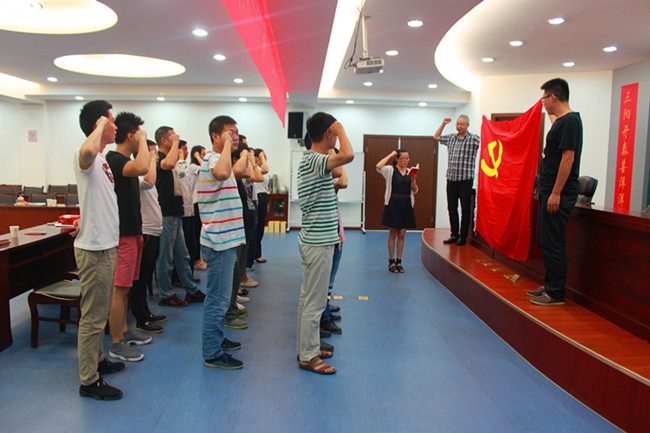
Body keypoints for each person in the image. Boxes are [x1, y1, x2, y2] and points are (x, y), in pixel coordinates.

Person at [296, 112, 354, 375]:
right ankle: (308, 356)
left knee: (309, 300)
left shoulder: (315, 160)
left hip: (317, 241)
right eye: (334, 131)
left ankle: (307, 348)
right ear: (328, 132)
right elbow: (348, 156)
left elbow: (340, 170)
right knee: (315, 303)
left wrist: (333, 138)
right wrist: (340, 131)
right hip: (317, 243)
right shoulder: (315, 160)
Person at [74, 100, 123, 400]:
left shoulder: (101, 159)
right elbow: (86, 152)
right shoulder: (87, 154)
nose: (115, 126)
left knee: (101, 312)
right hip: (95, 248)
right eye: (110, 121)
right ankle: (88, 380)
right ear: (99, 124)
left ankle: (98, 360)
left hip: (106, 244)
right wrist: (100, 124)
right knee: (93, 317)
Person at [199, 115, 251, 369]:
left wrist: (245, 153)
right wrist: (230, 146)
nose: (235, 137)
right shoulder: (212, 159)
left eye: (237, 132)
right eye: (230, 133)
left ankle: (217, 339)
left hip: (227, 240)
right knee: (217, 300)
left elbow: (241, 172)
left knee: (220, 298)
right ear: (215, 136)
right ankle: (212, 353)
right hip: (218, 241)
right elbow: (221, 172)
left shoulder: (224, 160)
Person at [528, 78, 583, 306]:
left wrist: (556, 192)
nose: (542, 103)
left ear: (553, 97)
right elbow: (555, 126)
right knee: (545, 240)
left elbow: (568, 159)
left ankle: (556, 293)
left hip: (557, 193)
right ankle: (549, 284)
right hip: (548, 189)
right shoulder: (561, 122)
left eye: (544, 98)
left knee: (554, 242)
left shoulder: (570, 122)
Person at [105, 112, 152, 362]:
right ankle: (116, 342)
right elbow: (143, 167)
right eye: (140, 133)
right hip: (122, 234)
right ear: (132, 135)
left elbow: (144, 170)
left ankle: (124, 330)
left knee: (126, 288)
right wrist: (143, 140)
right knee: (119, 289)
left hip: (134, 231)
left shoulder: (125, 161)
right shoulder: (114, 159)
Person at [154, 126, 205, 306]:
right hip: (165, 214)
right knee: (165, 258)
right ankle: (166, 295)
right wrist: (176, 142)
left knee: (183, 256)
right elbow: (168, 164)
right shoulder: (159, 158)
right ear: (164, 141)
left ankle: (191, 290)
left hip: (176, 213)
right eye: (172, 137)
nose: (176, 139)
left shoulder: (171, 159)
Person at [130, 139, 167, 333]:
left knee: (145, 278)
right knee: (140, 279)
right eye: (153, 153)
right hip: (146, 232)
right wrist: (150, 159)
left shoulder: (147, 172)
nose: (157, 157)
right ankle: (141, 318)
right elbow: (148, 181)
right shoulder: (136, 175)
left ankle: (145, 311)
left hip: (154, 231)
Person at [434, 115, 480, 246]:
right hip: (452, 178)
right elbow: (436, 137)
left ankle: (463, 236)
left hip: (465, 179)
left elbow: (487, 142)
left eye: (462, 124)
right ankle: (454, 234)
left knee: (465, 209)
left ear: (467, 125)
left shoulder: (473, 139)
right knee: (452, 207)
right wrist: (443, 124)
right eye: (458, 124)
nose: (459, 126)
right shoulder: (451, 138)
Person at [376, 149, 418, 273]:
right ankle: (391, 260)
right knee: (393, 233)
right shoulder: (390, 170)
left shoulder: (410, 172)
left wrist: (414, 179)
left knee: (402, 234)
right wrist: (391, 154)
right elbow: (378, 166)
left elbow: (415, 190)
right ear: (397, 159)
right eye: (403, 158)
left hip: (406, 204)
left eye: (407, 158)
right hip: (394, 203)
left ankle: (399, 261)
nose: (406, 161)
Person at [189, 145, 206, 271]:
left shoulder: (197, 167)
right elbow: (205, 169)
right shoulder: (193, 167)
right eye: (203, 154)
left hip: (200, 203)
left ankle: (198, 259)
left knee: (199, 233)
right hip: (195, 203)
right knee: (195, 234)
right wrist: (198, 157)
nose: (205, 157)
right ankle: (196, 260)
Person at [253, 148, 270, 264]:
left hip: (263, 196)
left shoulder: (259, 168)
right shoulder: (256, 169)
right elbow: (266, 169)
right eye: (262, 156)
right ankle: (256, 254)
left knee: (261, 227)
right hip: (258, 197)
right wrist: (262, 158)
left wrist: (267, 203)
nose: (265, 158)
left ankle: (257, 253)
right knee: (257, 227)